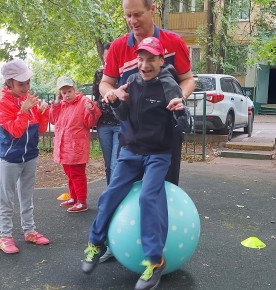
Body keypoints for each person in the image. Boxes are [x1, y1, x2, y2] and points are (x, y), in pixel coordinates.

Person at [82, 37, 191, 290]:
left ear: (161, 60)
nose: (144, 64)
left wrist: (180, 111)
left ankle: (155, 261)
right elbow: (123, 116)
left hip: (158, 154)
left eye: (150, 59)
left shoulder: (169, 86)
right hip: (130, 151)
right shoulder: (130, 82)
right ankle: (96, 244)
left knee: (148, 198)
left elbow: (185, 125)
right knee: (110, 194)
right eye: (141, 59)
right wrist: (117, 102)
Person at [99, 0, 195, 186]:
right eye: (128, 16)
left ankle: (160, 216)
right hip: (131, 136)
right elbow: (105, 83)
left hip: (165, 135)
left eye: (137, 14)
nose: (132, 21)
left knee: (162, 191)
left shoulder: (174, 42)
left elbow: (188, 79)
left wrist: (179, 97)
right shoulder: (118, 47)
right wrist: (114, 93)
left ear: (152, 10)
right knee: (124, 190)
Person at [0, 59, 50, 254]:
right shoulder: (2, 102)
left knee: (27, 196)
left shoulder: (28, 98)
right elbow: (16, 132)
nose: (26, 87)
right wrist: (24, 110)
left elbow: (41, 128)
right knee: (6, 197)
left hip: (30, 156)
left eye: (28, 82)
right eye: (21, 84)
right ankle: (5, 237)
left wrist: (43, 112)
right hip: (10, 158)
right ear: (9, 83)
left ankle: (30, 231)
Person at [50, 76, 102, 213]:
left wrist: (92, 110)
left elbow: (90, 122)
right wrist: (54, 106)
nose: (66, 95)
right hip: (64, 146)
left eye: (69, 91)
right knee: (70, 174)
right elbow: (53, 120)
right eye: (63, 93)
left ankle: (81, 201)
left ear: (74, 89)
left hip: (76, 146)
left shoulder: (84, 102)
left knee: (77, 174)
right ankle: (74, 197)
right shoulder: (61, 105)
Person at [93, 43, 120, 185]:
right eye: (106, 58)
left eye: (111, 58)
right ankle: (111, 193)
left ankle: (115, 196)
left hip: (120, 124)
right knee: (108, 165)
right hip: (103, 124)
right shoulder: (99, 73)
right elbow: (96, 96)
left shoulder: (123, 72)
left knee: (116, 164)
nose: (108, 62)